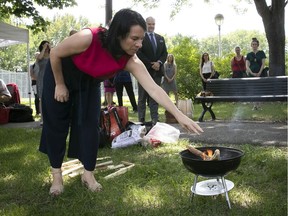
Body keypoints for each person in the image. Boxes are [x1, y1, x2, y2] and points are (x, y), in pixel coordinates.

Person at [39, 8, 203, 196]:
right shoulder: (88, 37)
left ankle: (88, 175)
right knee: (56, 125)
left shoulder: (130, 59)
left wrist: (179, 114)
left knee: (90, 126)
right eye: (135, 39)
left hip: (89, 81)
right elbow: (55, 53)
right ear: (119, 34)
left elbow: (154, 89)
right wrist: (60, 84)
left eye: (141, 39)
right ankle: (57, 177)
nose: (139, 44)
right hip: (61, 74)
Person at [136, 16, 168, 124]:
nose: (151, 26)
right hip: (144, 72)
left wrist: (159, 63)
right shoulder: (140, 38)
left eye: (153, 24)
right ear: (145, 24)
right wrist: (150, 64)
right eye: (149, 24)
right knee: (142, 97)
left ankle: (155, 120)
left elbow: (165, 53)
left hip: (157, 72)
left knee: (155, 97)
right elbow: (138, 53)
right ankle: (141, 120)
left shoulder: (160, 38)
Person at [246, 37, 267, 110]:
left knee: (260, 88)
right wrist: (252, 73)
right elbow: (247, 65)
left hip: (260, 73)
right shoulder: (249, 54)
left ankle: (260, 105)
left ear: (258, 45)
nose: (254, 45)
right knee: (253, 89)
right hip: (251, 75)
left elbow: (263, 64)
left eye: (255, 44)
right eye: (253, 44)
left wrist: (259, 72)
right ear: (251, 45)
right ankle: (254, 105)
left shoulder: (261, 53)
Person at [36, 40, 51, 123]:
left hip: (51, 78)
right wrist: (44, 48)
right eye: (44, 45)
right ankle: (42, 119)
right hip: (41, 79)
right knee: (42, 99)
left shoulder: (52, 54)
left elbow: (54, 57)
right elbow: (40, 58)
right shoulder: (39, 55)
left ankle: (51, 117)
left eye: (47, 45)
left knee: (51, 98)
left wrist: (50, 47)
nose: (46, 47)